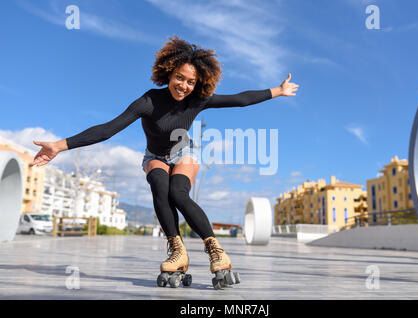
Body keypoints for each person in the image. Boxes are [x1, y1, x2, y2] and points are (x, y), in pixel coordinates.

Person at [31, 35, 299, 289]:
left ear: (198, 83)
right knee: (160, 186)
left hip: (185, 152)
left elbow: (240, 100)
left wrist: (278, 90)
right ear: (168, 73)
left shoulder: (197, 101)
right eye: (179, 78)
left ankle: (215, 250)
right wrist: (59, 145)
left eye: (190, 82)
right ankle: (177, 250)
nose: (183, 86)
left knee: (178, 194)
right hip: (155, 156)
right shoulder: (148, 102)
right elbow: (108, 129)